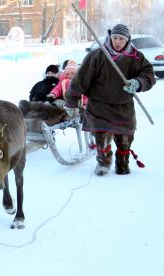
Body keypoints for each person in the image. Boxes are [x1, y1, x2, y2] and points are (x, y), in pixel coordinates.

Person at [65, 24, 156, 176]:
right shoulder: (98, 55)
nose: (117, 41)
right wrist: (72, 101)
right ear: (110, 37)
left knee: (125, 139)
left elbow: (149, 75)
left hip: (123, 106)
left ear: (127, 40)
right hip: (99, 105)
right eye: (114, 38)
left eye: (121, 38)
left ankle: (122, 164)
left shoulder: (136, 57)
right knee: (101, 139)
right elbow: (80, 79)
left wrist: (138, 83)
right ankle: (103, 163)